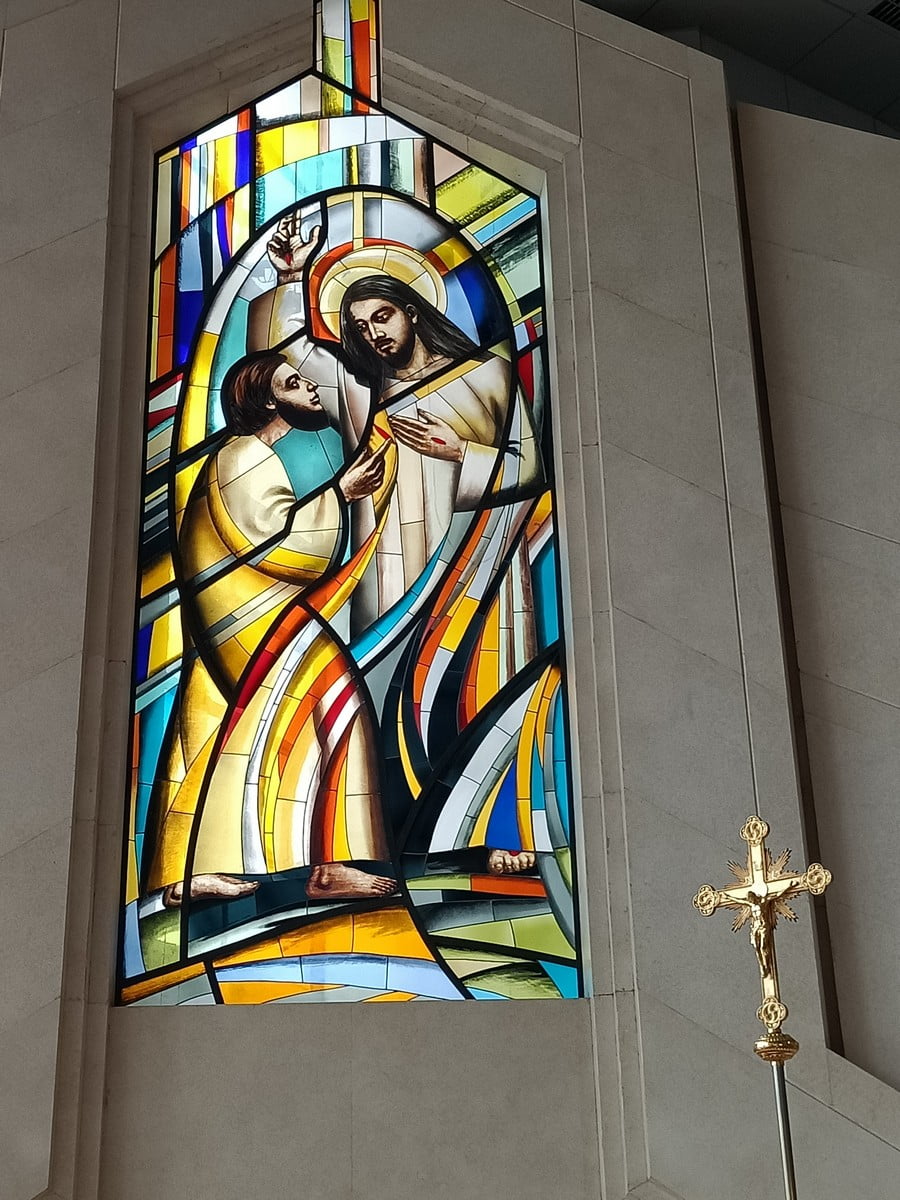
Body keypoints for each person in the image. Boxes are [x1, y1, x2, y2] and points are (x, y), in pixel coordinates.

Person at [146, 350, 396, 905]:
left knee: (213, 736)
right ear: (265, 401)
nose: (310, 389)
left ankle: (192, 872)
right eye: (293, 383)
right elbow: (278, 549)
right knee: (340, 705)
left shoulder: (246, 458)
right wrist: (341, 495)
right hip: (253, 618)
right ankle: (331, 863)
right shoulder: (244, 457)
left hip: (239, 617)